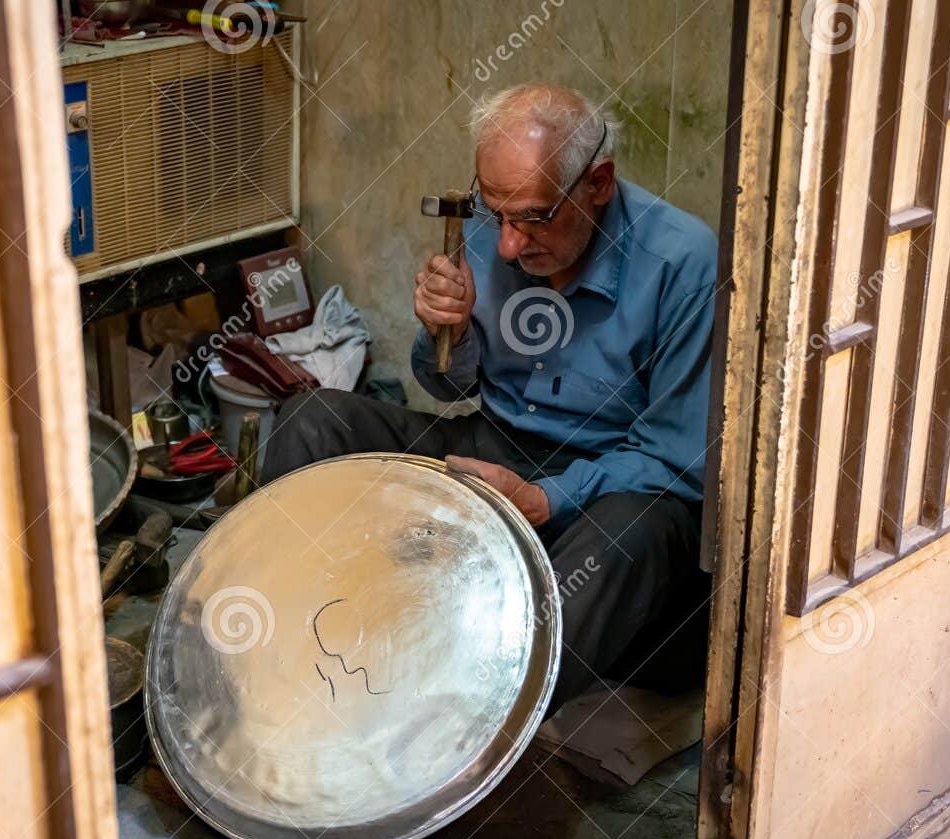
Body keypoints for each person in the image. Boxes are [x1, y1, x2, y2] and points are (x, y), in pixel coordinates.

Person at [261, 83, 717, 712]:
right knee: (313, 421)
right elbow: (451, 387)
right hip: (492, 446)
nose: (507, 243)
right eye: (495, 213)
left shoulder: (683, 262)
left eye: (532, 217)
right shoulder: (489, 227)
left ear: (599, 182)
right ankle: (294, 648)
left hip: (605, 490)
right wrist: (444, 333)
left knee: (634, 535)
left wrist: (545, 499)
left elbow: (674, 461)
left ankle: (463, 727)